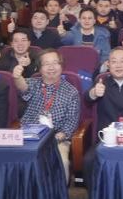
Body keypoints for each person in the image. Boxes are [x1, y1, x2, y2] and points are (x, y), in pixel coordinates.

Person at [14, 50, 81, 180]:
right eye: (46, 64)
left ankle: (58, 193)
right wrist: (17, 76)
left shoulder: (71, 92)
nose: (51, 67)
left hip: (56, 140)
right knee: (14, 159)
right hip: (28, 136)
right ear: (40, 68)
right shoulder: (33, 83)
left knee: (62, 162)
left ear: (61, 66)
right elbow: (22, 87)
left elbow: (70, 124)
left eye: (55, 63)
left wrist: (55, 138)